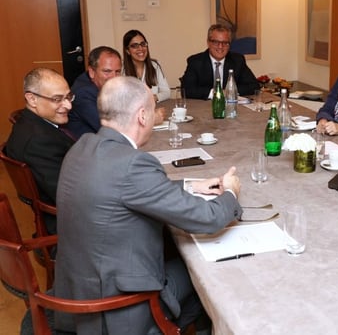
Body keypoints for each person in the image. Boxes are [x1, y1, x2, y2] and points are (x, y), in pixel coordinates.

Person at [54, 76, 243, 333]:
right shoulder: (133, 165)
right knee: (205, 273)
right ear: (142, 116)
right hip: (120, 306)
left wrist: (192, 185)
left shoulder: (83, 146)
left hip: (80, 290)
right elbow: (207, 219)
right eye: (154, 109)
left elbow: (123, 192)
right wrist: (230, 193)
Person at [5, 67, 75, 235]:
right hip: (67, 228)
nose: (68, 105)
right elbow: (68, 197)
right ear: (32, 99)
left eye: (68, 97)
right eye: (57, 99)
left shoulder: (33, 124)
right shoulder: (39, 141)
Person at [67, 46, 165, 139]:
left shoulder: (104, 86)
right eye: (107, 71)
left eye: (117, 71)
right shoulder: (83, 93)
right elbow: (113, 129)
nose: (114, 77)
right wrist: (149, 119)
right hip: (92, 152)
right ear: (92, 72)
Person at [181, 23, 259, 100]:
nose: (220, 47)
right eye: (216, 42)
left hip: (230, 107)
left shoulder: (237, 60)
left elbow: (254, 86)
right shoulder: (195, 62)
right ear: (208, 42)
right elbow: (187, 90)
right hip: (204, 107)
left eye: (225, 43)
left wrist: (229, 91)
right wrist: (216, 93)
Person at [122, 29, 170, 102]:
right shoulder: (121, 69)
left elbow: (167, 92)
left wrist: (154, 97)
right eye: (135, 46)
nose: (140, 48)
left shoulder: (155, 65)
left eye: (143, 44)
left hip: (153, 110)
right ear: (127, 51)